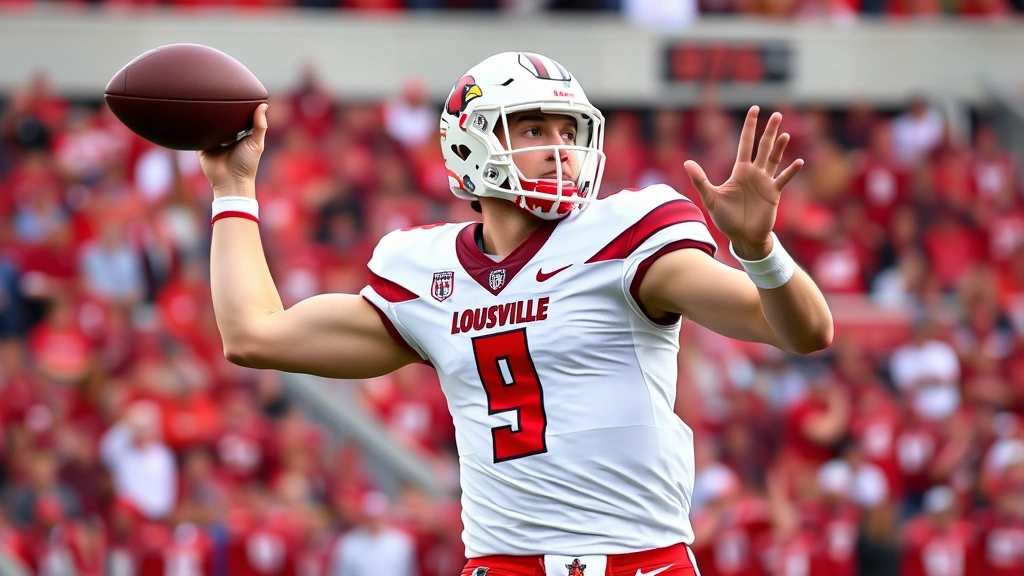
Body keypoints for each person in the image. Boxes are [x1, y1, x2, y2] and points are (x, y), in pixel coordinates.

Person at [198, 52, 833, 576]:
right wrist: (234, 191)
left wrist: (760, 251)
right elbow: (254, 334)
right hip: (501, 566)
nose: (559, 150)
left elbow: (803, 331)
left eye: (568, 132)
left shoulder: (626, 237)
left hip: (639, 562)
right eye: (533, 130)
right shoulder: (426, 271)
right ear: (469, 146)